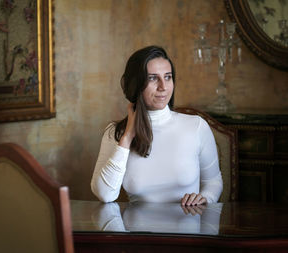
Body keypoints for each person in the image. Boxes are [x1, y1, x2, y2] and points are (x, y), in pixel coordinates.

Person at [91, 45, 223, 206]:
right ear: (136, 84)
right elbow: (105, 195)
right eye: (153, 78)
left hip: (187, 228)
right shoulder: (116, 133)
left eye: (167, 77)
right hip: (137, 230)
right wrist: (126, 138)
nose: (163, 87)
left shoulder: (196, 127)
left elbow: (213, 181)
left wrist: (205, 198)